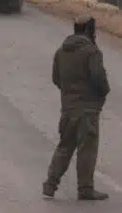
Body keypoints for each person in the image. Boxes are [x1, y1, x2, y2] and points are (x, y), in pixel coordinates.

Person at [42, 15, 110, 201]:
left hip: (68, 108)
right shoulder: (91, 52)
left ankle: (50, 184)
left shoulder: (61, 51)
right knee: (86, 148)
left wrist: (69, 94)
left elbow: (56, 78)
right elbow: (99, 79)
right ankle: (85, 188)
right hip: (87, 109)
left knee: (65, 146)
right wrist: (101, 94)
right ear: (89, 30)